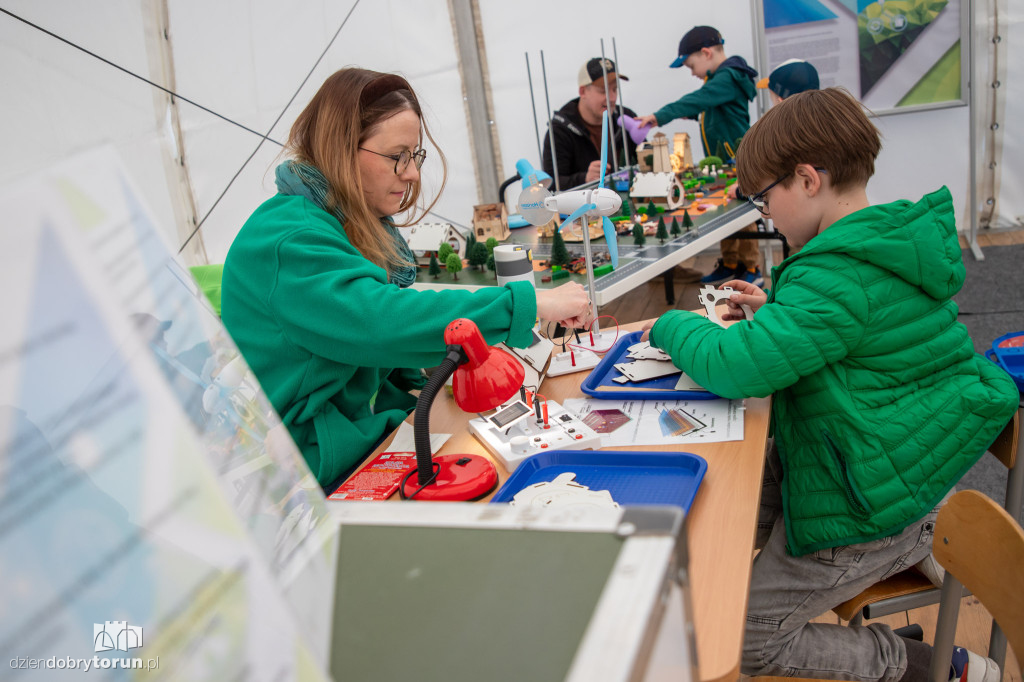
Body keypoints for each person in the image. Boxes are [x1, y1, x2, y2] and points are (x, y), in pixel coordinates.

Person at [642, 88, 1018, 682]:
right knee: (721, 508)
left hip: (866, 503)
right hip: (869, 460)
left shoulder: (834, 277)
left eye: (766, 201)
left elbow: (738, 369)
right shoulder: (875, 245)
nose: (766, 217)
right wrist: (779, 311)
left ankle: (930, 666)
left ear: (808, 179)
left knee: (743, 639)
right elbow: (857, 334)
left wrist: (671, 323)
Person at [221, 68, 593, 489]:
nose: (412, 173)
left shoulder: (348, 222)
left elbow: (382, 356)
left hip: (369, 438)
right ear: (341, 149)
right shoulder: (289, 239)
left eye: (415, 156)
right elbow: (379, 322)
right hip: (311, 474)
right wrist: (527, 304)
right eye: (397, 155)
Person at [636, 25, 763, 286]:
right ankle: (730, 263)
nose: (692, 73)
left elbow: (701, 98)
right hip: (725, 159)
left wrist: (659, 116)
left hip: (738, 157)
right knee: (728, 213)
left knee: (744, 215)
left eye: (691, 66)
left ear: (706, 53)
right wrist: (694, 113)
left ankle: (752, 268)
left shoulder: (727, 77)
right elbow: (716, 109)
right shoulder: (719, 80)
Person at [541, 58, 638, 190]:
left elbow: (646, 161)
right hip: (584, 209)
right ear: (583, 92)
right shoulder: (559, 132)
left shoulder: (626, 117)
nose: (612, 98)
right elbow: (550, 183)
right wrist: (585, 178)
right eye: (603, 91)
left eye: (615, 89)